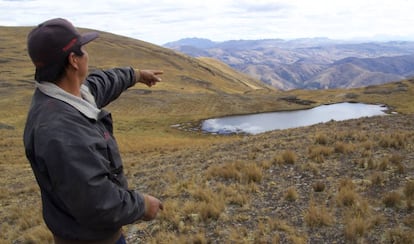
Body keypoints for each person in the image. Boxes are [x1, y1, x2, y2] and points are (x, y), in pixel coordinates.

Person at [23, 18, 164, 244]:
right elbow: (97, 201)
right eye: (83, 50)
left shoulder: (68, 96)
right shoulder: (60, 130)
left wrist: (136, 75)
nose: (87, 55)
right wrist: (142, 205)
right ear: (73, 60)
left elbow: (102, 82)